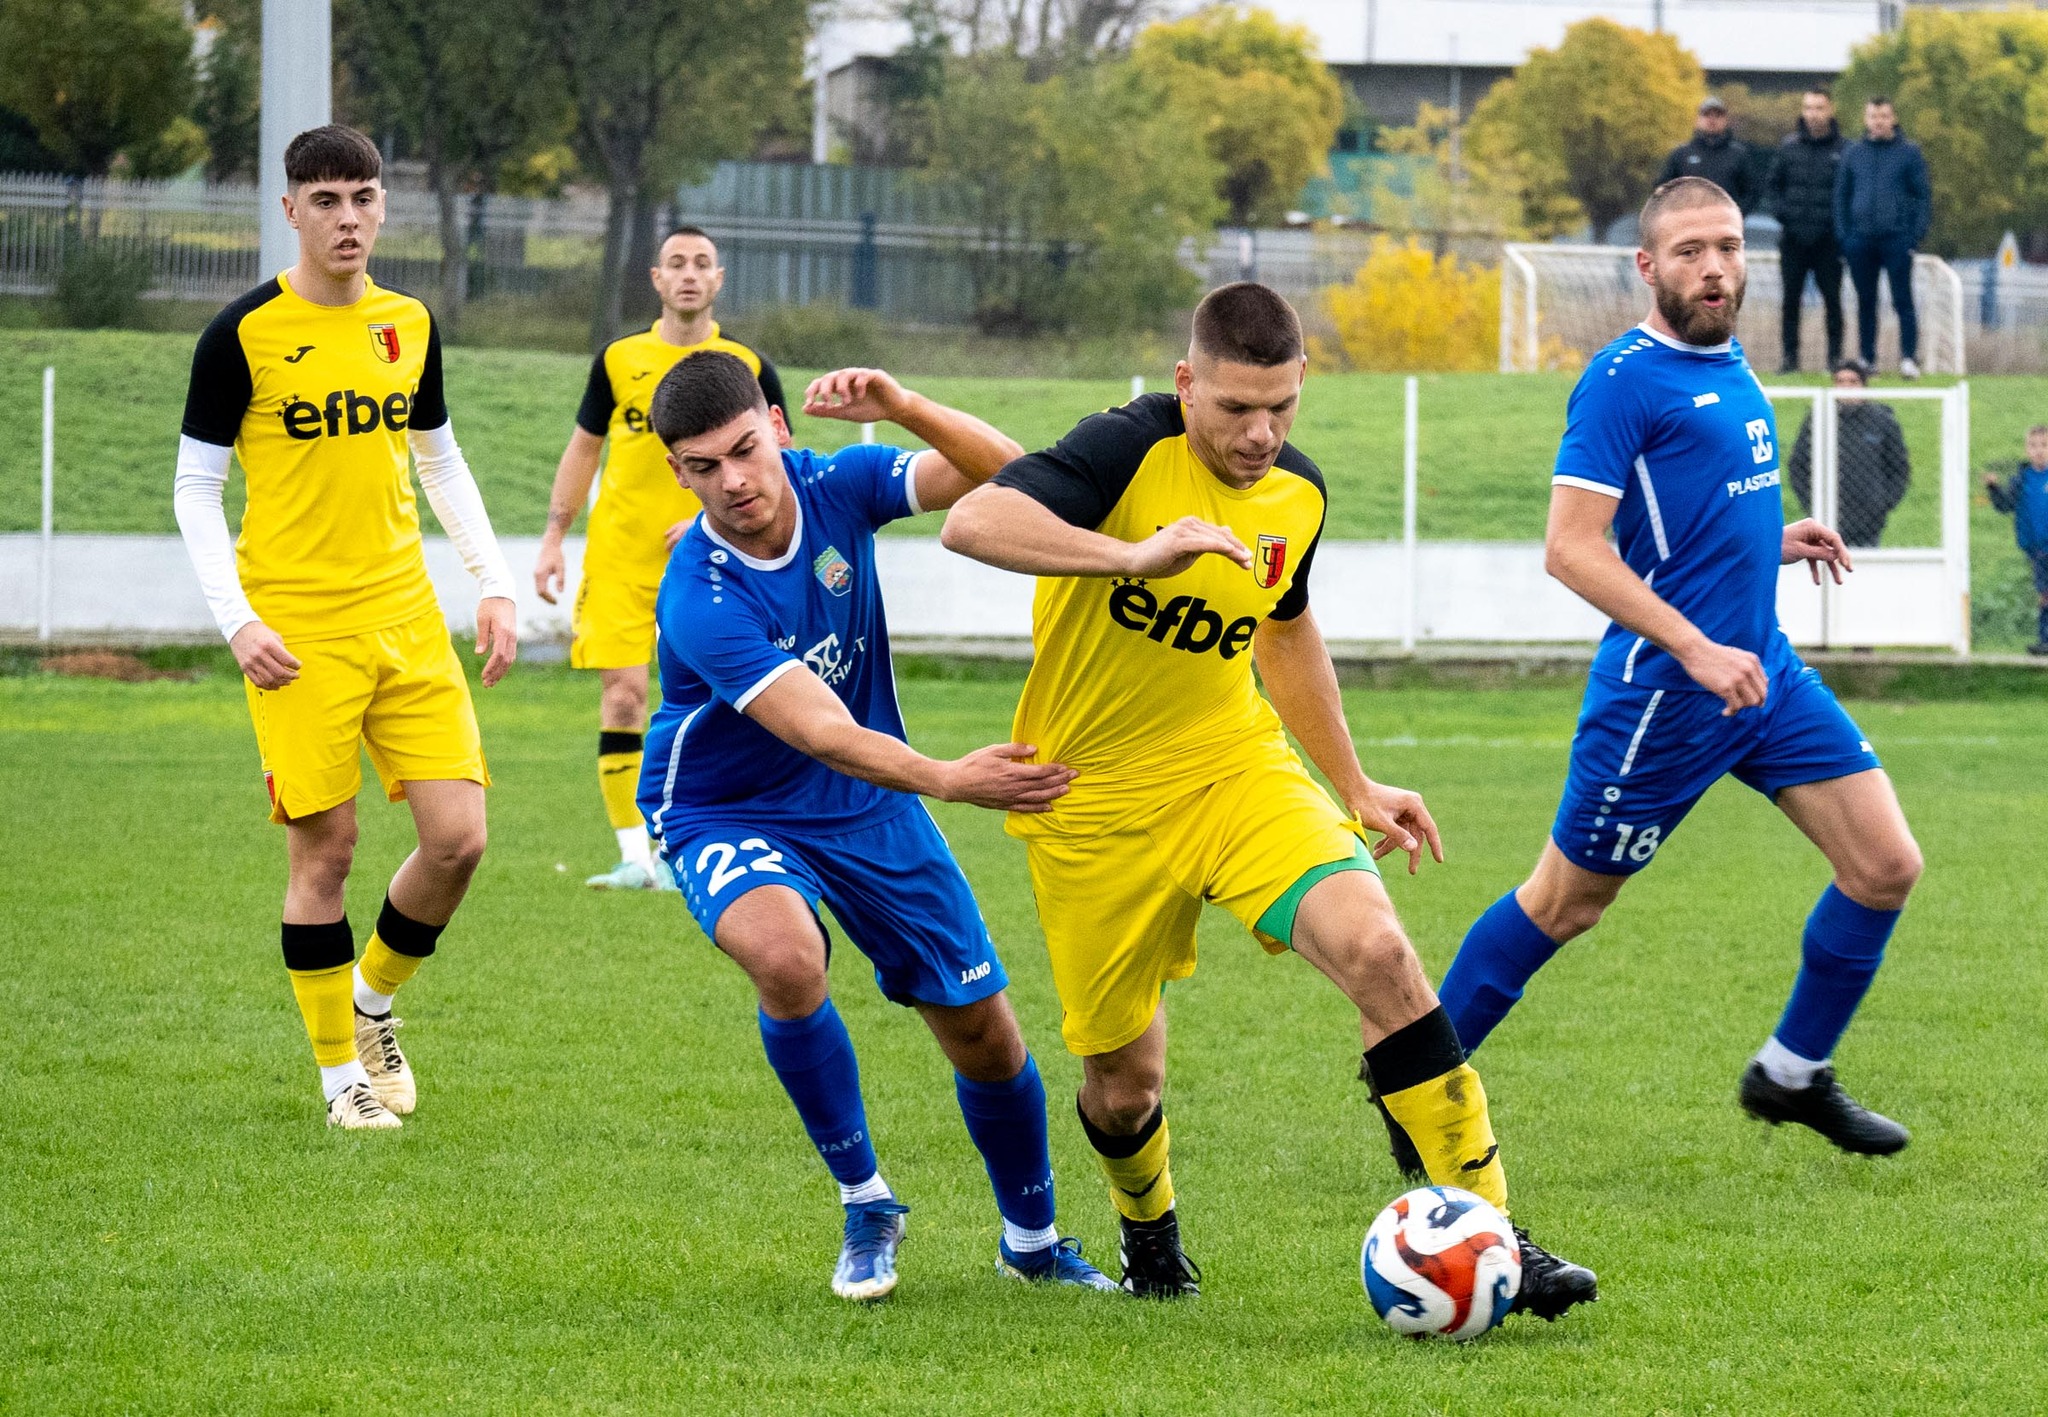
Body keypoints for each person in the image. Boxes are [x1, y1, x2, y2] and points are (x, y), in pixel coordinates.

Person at [938, 282, 1597, 1317]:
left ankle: (1488, 1232)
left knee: (1379, 950)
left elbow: (1282, 629)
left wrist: (1352, 782)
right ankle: (1149, 1238)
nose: (1259, 434)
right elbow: (973, 521)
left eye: (1281, 407)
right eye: (1235, 408)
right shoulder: (1123, 449)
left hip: (1233, 768)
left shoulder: (1299, 493)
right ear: (1185, 382)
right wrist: (1129, 552)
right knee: (1123, 1080)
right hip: (1090, 801)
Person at [1435, 177, 1922, 1161]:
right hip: (1665, 695)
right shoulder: (1620, 380)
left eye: (1729, 247)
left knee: (1882, 865)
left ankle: (1788, 1075)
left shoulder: (1728, 355)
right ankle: (1414, 1079)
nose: (1714, 267)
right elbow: (1570, 547)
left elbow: (1687, 512)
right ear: (1646, 266)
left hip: (1761, 675)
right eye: (1691, 250)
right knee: (1563, 902)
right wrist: (1691, 644)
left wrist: (1769, 541)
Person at [640, 352, 1116, 1301]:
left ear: (777, 425)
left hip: (867, 800)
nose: (733, 480)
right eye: (703, 466)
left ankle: (1032, 1241)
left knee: (982, 1029)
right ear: (680, 473)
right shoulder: (700, 593)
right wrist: (948, 776)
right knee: (785, 956)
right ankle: (867, 1200)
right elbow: (821, 728)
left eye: (743, 449)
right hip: (728, 806)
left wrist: (903, 404)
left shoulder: (837, 483)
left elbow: (1002, 470)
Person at [173, 125, 518, 1130]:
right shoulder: (241, 335)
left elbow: (440, 460)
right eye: (325, 200)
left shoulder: (408, 322)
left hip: (406, 617)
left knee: (459, 839)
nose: (349, 218)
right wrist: (236, 620)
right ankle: (341, 1080)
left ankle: (371, 1004)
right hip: (296, 629)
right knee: (325, 852)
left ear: (382, 205)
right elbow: (196, 491)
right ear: (290, 211)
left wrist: (492, 584)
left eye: (363, 197)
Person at [534, 227, 788, 891]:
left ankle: (690, 842)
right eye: (676, 262)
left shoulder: (747, 365)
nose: (688, 275)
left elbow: (779, 461)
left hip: (713, 561)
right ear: (655, 277)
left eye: (702, 263)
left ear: (719, 278)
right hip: (620, 556)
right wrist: (555, 536)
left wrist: (715, 517)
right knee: (624, 695)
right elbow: (583, 450)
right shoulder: (619, 359)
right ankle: (633, 856)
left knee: (712, 702)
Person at [1836, 97, 1931, 380]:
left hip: (1897, 239)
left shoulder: (1909, 153)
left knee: (1903, 300)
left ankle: (1908, 359)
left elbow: (1922, 195)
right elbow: (1841, 195)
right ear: (1866, 119)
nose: (1878, 121)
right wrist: (1845, 235)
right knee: (1866, 300)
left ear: (1893, 118)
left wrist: (1914, 235)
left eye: (1884, 116)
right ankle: (1867, 359)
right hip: (1860, 240)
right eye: (1873, 116)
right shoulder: (1853, 153)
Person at [1787, 359, 1910, 547]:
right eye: (1840, 381)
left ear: (1863, 385)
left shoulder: (1882, 420)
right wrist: (1811, 501)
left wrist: (1882, 504)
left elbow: (1899, 468)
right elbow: (1798, 465)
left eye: (1852, 382)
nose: (1846, 387)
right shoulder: (1818, 418)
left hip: (1869, 522)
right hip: (1825, 516)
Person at [1768, 89, 1846, 373]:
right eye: (1808, 108)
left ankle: (1834, 359)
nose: (1813, 114)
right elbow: (1773, 185)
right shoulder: (1788, 147)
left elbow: (1848, 193)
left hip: (1828, 241)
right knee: (1790, 300)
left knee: (1833, 301)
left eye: (1819, 108)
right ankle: (1790, 359)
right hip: (1793, 240)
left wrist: (1838, 224)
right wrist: (1784, 215)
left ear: (1830, 110)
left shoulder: (1844, 150)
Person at [1985, 424, 2048, 656]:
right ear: (2026, 449)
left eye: (2044, 445)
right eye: (2033, 446)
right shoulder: (2022, 479)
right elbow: (2005, 505)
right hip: (2036, 548)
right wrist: (1993, 488)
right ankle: (2044, 640)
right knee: (2044, 593)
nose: (2039, 450)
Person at [1657, 96, 1758, 215]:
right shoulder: (1681, 154)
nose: (1712, 119)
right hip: (1688, 223)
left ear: (1725, 120)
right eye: (1707, 114)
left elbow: (1752, 191)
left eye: (1717, 115)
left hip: (1724, 225)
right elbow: (1663, 189)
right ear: (1697, 119)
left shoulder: (1739, 154)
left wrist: (1736, 214)